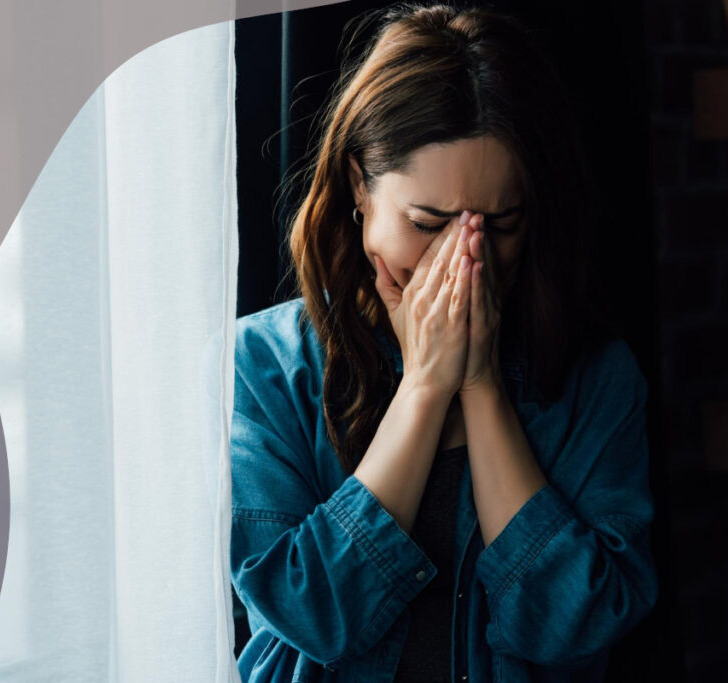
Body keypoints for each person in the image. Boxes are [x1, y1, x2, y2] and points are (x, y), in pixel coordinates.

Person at [229, 2, 659, 682]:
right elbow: (307, 616)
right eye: (427, 224)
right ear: (359, 189)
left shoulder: (596, 378)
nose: (462, 263)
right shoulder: (262, 366)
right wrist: (424, 387)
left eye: (500, 225)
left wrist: (481, 385)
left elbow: (579, 624)